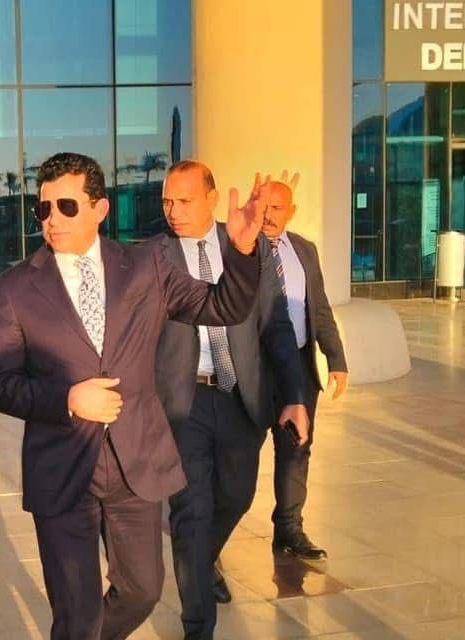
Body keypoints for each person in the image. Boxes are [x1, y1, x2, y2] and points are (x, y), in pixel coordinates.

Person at [0, 152, 266, 640]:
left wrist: (241, 250)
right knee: (76, 609)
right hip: (63, 467)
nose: (52, 219)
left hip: (135, 462)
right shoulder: (16, 288)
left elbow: (220, 306)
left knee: (143, 590)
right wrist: (68, 398)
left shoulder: (144, 266)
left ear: (100, 208)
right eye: (43, 208)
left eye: (66, 206)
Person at [149, 161, 309, 639]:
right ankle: (198, 626)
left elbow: (277, 326)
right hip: (183, 402)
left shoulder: (248, 245)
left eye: (184, 201)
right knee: (191, 513)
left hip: (241, 396)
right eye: (167, 201)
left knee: (236, 497)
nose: (173, 211)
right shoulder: (152, 257)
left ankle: (200, 561)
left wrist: (294, 396)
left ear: (212, 199)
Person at [259, 178, 347, 562]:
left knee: (296, 450)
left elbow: (320, 309)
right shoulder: (240, 249)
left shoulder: (304, 250)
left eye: (277, 208)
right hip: (253, 370)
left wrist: (336, 359)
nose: (268, 215)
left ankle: (289, 529)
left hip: (297, 369)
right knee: (235, 457)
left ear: (291, 212)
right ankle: (211, 534)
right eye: (264, 207)